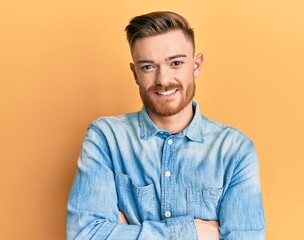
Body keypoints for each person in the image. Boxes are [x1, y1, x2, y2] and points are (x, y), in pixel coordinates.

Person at [66, 11, 265, 240]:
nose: (163, 79)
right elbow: (84, 235)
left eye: (176, 63)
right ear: (135, 73)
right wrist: (190, 232)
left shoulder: (235, 151)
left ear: (196, 65)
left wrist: (124, 229)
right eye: (148, 67)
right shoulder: (106, 139)